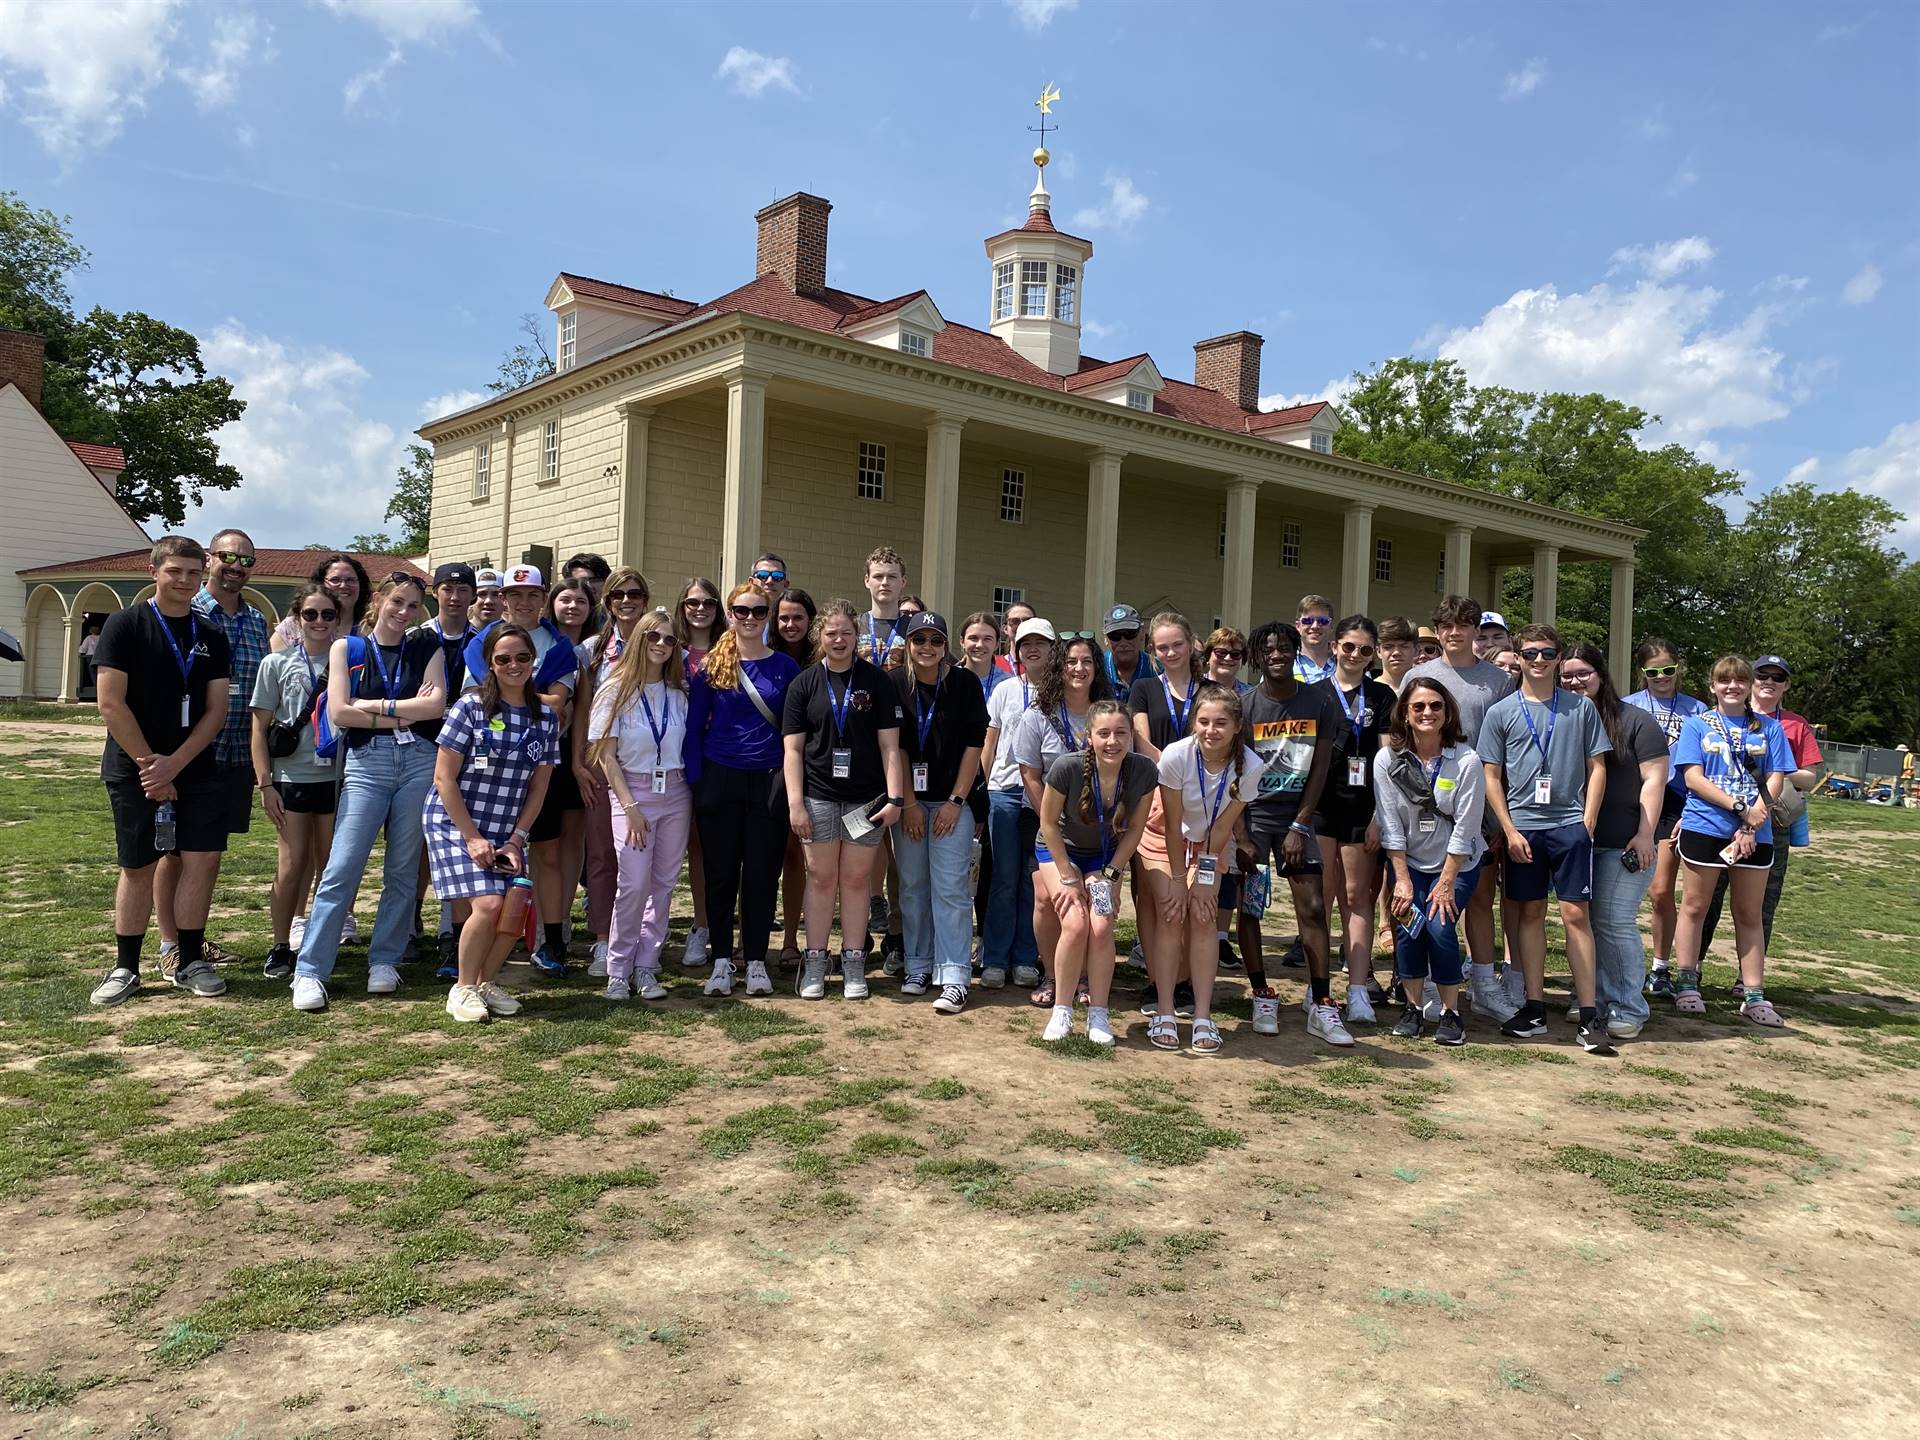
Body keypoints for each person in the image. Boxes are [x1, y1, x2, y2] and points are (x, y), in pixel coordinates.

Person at [290, 572, 448, 1011]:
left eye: (413, 606)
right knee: (342, 866)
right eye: (397, 601)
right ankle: (310, 971)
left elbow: (434, 705)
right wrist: (398, 716)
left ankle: (385, 959)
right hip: (367, 762)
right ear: (379, 599)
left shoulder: (424, 647)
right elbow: (339, 711)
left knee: (401, 867)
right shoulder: (349, 647)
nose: (403, 612)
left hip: (418, 758)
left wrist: (374, 707)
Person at [88, 537, 233, 1007]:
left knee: (202, 859)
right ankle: (125, 967)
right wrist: (153, 765)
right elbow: (110, 702)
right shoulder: (125, 626)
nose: (185, 581)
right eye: (175, 571)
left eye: (194, 573)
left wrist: (177, 763)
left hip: (194, 765)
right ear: (154, 571)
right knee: (138, 865)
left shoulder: (210, 634)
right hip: (135, 767)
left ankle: (189, 959)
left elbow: (216, 711)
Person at [1477, 622, 1614, 1054]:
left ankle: (1590, 1015)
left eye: (1547, 653)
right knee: (1529, 914)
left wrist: (1587, 823)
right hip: (1523, 831)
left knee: (1577, 917)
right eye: (1530, 653)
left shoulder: (1580, 708)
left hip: (1570, 827)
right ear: (1516, 658)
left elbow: (1598, 767)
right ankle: (1534, 1007)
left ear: (1558, 658)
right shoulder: (1501, 712)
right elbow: (1491, 776)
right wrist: (1509, 828)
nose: (1539, 661)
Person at [424, 624, 557, 1024]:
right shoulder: (470, 707)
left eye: (522, 657)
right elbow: (444, 778)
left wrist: (517, 839)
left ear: (533, 661)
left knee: (514, 907)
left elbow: (539, 787)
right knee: (488, 903)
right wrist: (471, 837)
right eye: (503, 659)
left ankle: (485, 983)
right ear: (490, 664)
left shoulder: (546, 717)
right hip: (455, 821)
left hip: (507, 829)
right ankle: (462, 989)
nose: (513, 665)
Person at [783, 598, 906, 1000]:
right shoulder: (804, 684)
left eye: (846, 633)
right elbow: (794, 751)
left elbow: (890, 747)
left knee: (855, 882)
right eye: (831, 633)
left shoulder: (876, 681)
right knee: (821, 879)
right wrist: (795, 803)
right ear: (820, 636)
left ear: (857, 637)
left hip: (865, 802)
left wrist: (894, 798)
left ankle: (854, 961)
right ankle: (816, 960)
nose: (839, 640)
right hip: (818, 796)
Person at [463, 567, 581, 976]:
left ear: (543, 597)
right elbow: (473, 697)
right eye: (515, 595)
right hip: (487, 772)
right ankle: (465, 938)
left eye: (532, 594)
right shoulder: (482, 641)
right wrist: (532, 698)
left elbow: (560, 703)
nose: (524, 603)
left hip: (538, 764)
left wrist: (513, 695)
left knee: (545, 852)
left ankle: (551, 941)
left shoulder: (558, 645)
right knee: (479, 856)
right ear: (504, 597)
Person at [1407, 595, 1518, 1021]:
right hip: (1424, 804)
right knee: (1431, 897)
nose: (1455, 633)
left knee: (1479, 898)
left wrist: (1497, 815)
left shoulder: (1497, 681)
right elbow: (1402, 738)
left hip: (1479, 803)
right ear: (1437, 630)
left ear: (1476, 630)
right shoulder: (1419, 676)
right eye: (1447, 625)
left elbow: (1503, 749)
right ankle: (1434, 982)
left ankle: (1485, 984)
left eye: (1464, 625)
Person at [1668, 657, 1795, 1026]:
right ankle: (1687, 981)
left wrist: (1754, 821)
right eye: (1724, 681)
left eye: (1740, 681)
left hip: (1757, 831)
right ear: (1712, 686)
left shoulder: (1769, 728)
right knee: (1695, 906)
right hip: (1705, 825)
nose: (1732, 687)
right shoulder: (1697, 725)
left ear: (1749, 686)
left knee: (1749, 913)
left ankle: (1754, 992)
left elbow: (1775, 778)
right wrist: (1740, 807)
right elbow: (1693, 778)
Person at [688, 581, 801, 995]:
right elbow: (692, 729)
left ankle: (755, 959)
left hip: (769, 780)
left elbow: (794, 732)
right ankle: (721, 960)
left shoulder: (785, 668)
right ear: (729, 614)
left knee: (761, 874)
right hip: (719, 777)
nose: (749, 618)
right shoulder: (712, 667)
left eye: (757, 611)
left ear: (768, 616)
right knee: (720, 874)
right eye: (741, 610)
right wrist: (698, 782)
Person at [1239, 621, 1343, 1044]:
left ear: (1295, 651)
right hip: (1254, 818)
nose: (1276, 655)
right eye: (1268, 650)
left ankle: (1321, 1001)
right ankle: (1262, 993)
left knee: (1314, 907)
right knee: (1250, 907)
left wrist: (1301, 824)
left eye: (1284, 648)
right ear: (1257, 657)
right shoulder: (1244, 706)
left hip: (1297, 817)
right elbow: (1236, 774)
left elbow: (1320, 769)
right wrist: (1242, 836)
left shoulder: (1319, 702)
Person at [170, 528, 267, 971]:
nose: (236, 566)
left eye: (246, 560)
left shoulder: (257, 622)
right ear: (211, 558)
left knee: (208, 852)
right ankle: (171, 947)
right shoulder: (184, 613)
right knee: (173, 851)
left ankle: (195, 939)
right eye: (228, 556)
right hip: (189, 750)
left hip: (236, 754)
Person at [1149, 686, 1265, 1053]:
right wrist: (1181, 880)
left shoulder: (1251, 765)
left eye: (1220, 723)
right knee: (1171, 913)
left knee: (1204, 917)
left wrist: (1204, 877)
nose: (1211, 730)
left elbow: (1223, 827)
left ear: (1236, 726)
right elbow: (1170, 823)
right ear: (1193, 723)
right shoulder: (1175, 756)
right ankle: (1165, 1011)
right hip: (1166, 837)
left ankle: (1202, 1015)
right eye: (1203, 722)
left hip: (1212, 844)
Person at [1560, 643, 1667, 1040]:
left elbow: (1655, 781)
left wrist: (1645, 833)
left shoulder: (1635, 721)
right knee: (1584, 922)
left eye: (1583, 673)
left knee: (1613, 919)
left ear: (1601, 674)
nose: (1575, 681)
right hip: (1574, 841)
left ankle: (1628, 1005)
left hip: (1622, 842)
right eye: (1567, 674)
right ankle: (1594, 998)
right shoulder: (1561, 718)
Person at [1373, 677, 1486, 1045]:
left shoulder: (1466, 760)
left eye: (1435, 706)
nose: (1427, 713)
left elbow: (1467, 826)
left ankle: (1451, 1013)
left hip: (1458, 863)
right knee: (1408, 926)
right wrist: (1401, 879)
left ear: (1447, 712)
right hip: (1409, 861)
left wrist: (1447, 881)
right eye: (1418, 706)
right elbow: (1389, 824)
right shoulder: (1387, 758)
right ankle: (1413, 1008)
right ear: (1405, 713)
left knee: (1438, 927)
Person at [1035, 700, 1155, 1044]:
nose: (1112, 741)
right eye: (1103, 733)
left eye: (1121, 732)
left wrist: (1113, 876)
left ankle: (1099, 1013)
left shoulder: (1144, 770)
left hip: (1103, 859)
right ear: (1088, 736)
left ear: (1131, 735)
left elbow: (1135, 828)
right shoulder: (1066, 767)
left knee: (1101, 926)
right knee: (1075, 922)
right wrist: (1068, 876)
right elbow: (1048, 824)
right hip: (1059, 851)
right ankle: (1062, 1010)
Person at [587, 606, 690, 1001]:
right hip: (633, 795)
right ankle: (618, 968)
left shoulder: (678, 694)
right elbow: (606, 756)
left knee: (663, 885)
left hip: (677, 793)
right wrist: (629, 806)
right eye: (654, 637)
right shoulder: (614, 689)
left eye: (669, 639)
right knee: (632, 884)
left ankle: (647, 965)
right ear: (639, 640)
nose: (662, 645)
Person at [1697, 654, 1821, 972]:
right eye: (1762, 675)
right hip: (1721, 819)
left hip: (1767, 821)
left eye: (1777, 677)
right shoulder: (1717, 717)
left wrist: (1775, 771)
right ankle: (1692, 967)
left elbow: (1811, 776)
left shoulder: (1792, 724)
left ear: (1786, 685)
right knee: (1708, 896)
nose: (1768, 681)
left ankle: (1747, 978)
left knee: (1761, 902)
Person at [891, 612, 987, 1009]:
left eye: (935, 640)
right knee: (912, 887)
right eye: (919, 640)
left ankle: (954, 975)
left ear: (946, 646)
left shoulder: (964, 683)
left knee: (950, 890)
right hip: (910, 804)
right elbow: (893, 747)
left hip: (952, 802)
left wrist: (955, 801)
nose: (926, 648)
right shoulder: (896, 683)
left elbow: (973, 746)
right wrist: (908, 803)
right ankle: (918, 963)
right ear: (908, 645)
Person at [1016, 632, 1116, 1007]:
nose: (1079, 668)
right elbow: (1029, 774)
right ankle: (1054, 972)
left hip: (1097, 829)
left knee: (1091, 901)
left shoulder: (1108, 713)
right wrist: (1053, 820)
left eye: (1087, 661)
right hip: (1046, 823)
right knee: (1045, 899)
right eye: (1071, 661)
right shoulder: (1037, 715)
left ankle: (1086, 975)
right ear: (1059, 666)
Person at [250, 585, 340, 981]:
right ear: (296, 619)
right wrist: (265, 784)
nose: (319, 622)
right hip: (291, 778)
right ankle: (281, 945)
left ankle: (321, 943)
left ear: (337, 619)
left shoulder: (351, 662)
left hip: (339, 777)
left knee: (331, 867)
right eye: (310, 614)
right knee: (291, 866)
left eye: (327, 615)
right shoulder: (276, 663)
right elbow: (258, 728)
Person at [1317, 615, 1396, 1024]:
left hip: (1362, 807)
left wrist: (1381, 816)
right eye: (1348, 647)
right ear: (1334, 647)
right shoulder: (1313, 693)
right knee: (1321, 895)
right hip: (1317, 806)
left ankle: (1358, 987)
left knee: (1355, 895)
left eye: (1365, 650)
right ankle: (1320, 988)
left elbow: (1386, 759)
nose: (1355, 655)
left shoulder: (1380, 697)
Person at [575, 568, 652, 980]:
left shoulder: (660, 640)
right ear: (606, 602)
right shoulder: (592, 649)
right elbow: (583, 712)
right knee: (603, 853)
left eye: (635, 593)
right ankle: (604, 937)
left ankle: (641, 937)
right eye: (618, 594)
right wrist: (577, 762)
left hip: (647, 764)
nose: (627, 600)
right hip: (602, 761)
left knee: (642, 857)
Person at [1622, 638, 1708, 999]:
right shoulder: (1627, 705)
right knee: (1622, 895)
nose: (1662, 677)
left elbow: (1705, 764)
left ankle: (1660, 968)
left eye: (1668, 670)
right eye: (1653, 671)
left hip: (1676, 803)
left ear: (1679, 668)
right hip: (1633, 800)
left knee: (1660, 892)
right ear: (1642, 673)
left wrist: (1691, 809)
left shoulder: (1697, 709)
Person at [979, 617, 1054, 988]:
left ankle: (1026, 957)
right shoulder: (1005, 690)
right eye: (1026, 644)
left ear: (1053, 649)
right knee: (1003, 878)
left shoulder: (1060, 692)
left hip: (1043, 795)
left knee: (1032, 878)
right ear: (1017, 650)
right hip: (1005, 791)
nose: (1033, 649)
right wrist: (983, 789)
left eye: (1041, 643)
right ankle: (994, 957)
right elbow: (990, 743)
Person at [415, 562, 478, 978]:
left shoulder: (482, 640)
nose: (454, 596)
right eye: (447, 588)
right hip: (421, 746)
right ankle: (410, 921)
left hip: (469, 752)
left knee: (461, 839)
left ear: (472, 595)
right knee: (417, 843)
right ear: (434, 592)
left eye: (462, 589)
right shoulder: (416, 639)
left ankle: (451, 931)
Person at [671, 575, 723, 969]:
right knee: (681, 848)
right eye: (692, 603)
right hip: (669, 756)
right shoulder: (668, 648)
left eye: (707, 602)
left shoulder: (730, 648)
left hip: (718, 757)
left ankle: (706, 926)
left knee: (711, 848)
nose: (700, 609)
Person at [770, 587, 819, 963]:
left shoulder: (822, 662)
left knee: (793, 855)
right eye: (783, 617)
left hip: (809, 768)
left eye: (798, 617)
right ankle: (749, 936)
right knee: (755, 856)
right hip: (765, 764)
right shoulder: (763, 654)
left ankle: (790, 940)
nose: (790, 624)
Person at [270, 552, 369, 652]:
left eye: (350, 580)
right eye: (335, 580)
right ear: (321, 584)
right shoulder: (292, 626)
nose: (343, 585)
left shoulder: (370, 629)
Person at [856, 545, 911, 671]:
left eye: (892, 576)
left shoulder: (913, 628)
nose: (885, 582)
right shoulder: (854, 626)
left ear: (903, 581)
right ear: (866, 580)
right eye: (878, 576)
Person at [1102, 603, 1157, 691]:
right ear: (1105, 639)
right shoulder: (1096, 669)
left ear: (1142, 633)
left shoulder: (1158, 670)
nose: (1123, 642)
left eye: (1130, 634)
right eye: (1115, 636)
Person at [958, 610, 1008, 698]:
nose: (980, 645)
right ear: (962, 642)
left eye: (987, 639)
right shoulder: (948, 679)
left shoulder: (1007, 683)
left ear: (997, 644)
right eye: (973, 638)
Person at [1293, 594, 1337, 682]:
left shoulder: (1345, 662)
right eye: (1308, 621)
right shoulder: (1285, 663)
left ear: (1331, 626)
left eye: (1323, 621)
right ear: (1298, 626)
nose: (1315, 626)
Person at [993, 599, 1037, 675]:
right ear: (1005, 628)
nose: (1021, 625)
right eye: (1015, 621)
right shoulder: (993, 665)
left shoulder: (1047, 667)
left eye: (1028, 621)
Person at [1376, 616, 1419, 693]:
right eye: (1388, 647)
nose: (1396, 653)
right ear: (1378, 651)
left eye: (1404, 646)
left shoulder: (1426, 691)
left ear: (1416, 650)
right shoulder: (1366, 691)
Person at [1202, 627, 1249, 694]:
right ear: (1208, 656)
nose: (1228, 658)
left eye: (1235, 654)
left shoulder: (1249, 696)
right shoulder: (1192, 688)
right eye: (1221, 653)